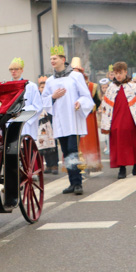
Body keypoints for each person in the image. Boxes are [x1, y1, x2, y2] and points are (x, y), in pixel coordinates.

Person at [40, 46, 94, 195]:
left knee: (72, 150)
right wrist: (52, 97)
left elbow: (85, 95)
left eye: (55, 58)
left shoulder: (75, 76)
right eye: (51, 59)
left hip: (73, 120)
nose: (52, 61)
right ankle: (72, 182)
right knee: (65, 151)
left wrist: (80, 102)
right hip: (60, 121)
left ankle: (78, 183)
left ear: (63, 60)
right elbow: (43, 100)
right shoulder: (50, 81)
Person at [100, 62, 136, 179]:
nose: (118, 76)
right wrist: (106, 122)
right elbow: (106, 107)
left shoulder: (133, 86)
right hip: (116, 120)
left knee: (135, 143)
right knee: (119, 144)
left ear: (125, 72)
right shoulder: (111, 88)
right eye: (116, 73)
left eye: (120, 73)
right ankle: (122, 168)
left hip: (132, 120)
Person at [70, 57, 103, 172]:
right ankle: (77, 164)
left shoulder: (92, 86)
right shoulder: (68, 83)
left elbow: (97, 102)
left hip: (88, 116)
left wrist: (88, 108)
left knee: (88, 140)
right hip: (74, 115)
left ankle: (91, 162)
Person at [7, 57, 42, 141]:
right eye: (11, 69)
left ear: (22, 70)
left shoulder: (31, 86)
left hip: (26, 122)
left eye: (16, 69)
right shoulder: (7, 86)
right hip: (12, 121)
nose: (13, 71)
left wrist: (22, 111)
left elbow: (38, 106)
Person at [36, 75, 59, 174]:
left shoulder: (51, 97)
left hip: (50, 122)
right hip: (41, 124)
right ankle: (48, 165)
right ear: (39, 88)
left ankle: (54, 165)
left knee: (52, 144)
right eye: (41, 87)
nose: (43, 89)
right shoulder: (37, 98)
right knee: (43, 145)